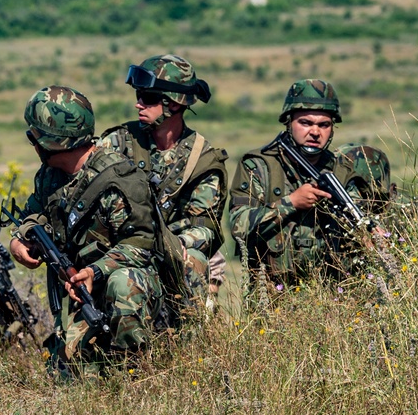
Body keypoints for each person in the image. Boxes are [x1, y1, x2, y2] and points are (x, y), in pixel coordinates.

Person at [10, 86, 162, 375]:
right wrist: (19, 242)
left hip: (125, 287)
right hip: (77, 289)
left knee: (124, 282)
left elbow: (140, 245)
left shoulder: (119, 181)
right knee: (69, 376)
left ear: (54, 142)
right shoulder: (50, 175)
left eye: (35, 137)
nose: (33, 143)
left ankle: (135, 372)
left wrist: (96, 271)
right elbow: (33, 215)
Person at [100, 54, 229, 322]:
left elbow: (206, 227)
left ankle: (190, 346)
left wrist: (179, 244)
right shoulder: (117, 142)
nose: (138, 103)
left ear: (173, 104)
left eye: (148, 98)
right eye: (139, 94)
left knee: (194, 259)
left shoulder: (202, 160)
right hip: (118, 251)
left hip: (169, 258)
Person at [229, 79, 364, 288]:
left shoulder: (341, 170)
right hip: (272, 296)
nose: (315, 132)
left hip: (331, 297)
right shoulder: (259, 166)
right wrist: (291, 203)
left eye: (324, 125)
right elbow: (239, 226)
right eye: (306, 123)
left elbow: (359, 217)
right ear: (288, 122)